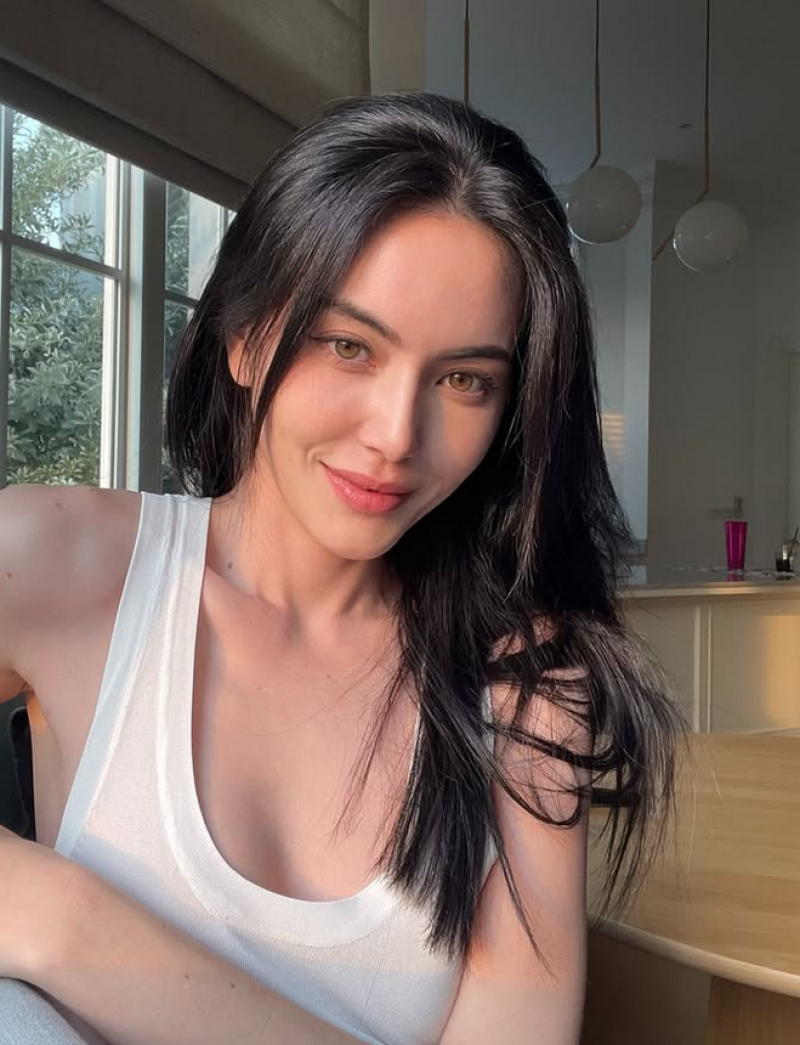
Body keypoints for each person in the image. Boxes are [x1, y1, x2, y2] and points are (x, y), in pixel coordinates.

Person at [0, 92, 683, 1044]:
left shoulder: (525, 684)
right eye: (348, 345)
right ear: (246, 336)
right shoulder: (57, 562)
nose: (397, 436)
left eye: (465, 379)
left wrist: (64, 924)